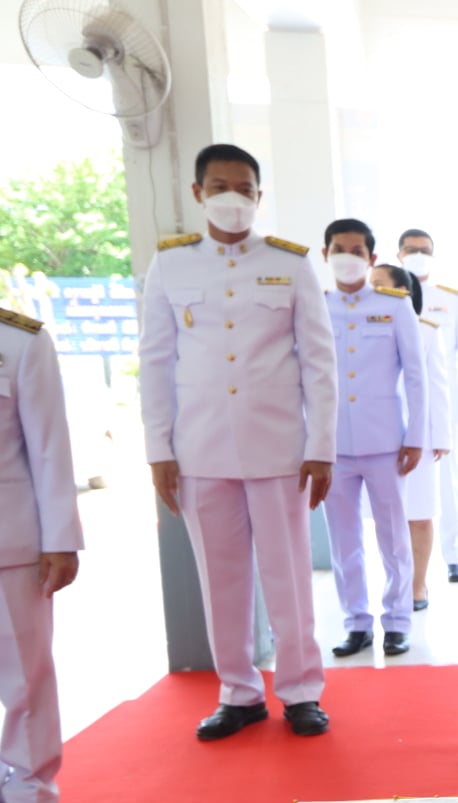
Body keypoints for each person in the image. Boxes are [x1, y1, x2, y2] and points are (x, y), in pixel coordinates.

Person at [139, 143, 337, 740]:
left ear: (258, 196)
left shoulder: (291, 263)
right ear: (198, 193)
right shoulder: (170, 265)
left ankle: (301, 690)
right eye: (220, 187)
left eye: (244, 189)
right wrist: (159, 450)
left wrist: (321, 446)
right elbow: (155, 362)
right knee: (220, 579)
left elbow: (319, 362)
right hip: (200, 450)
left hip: (278, 449)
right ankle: (239, 693)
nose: (233, 198)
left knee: (288, 576)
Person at [321, 220, 427, 659]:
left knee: (393, 538)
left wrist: (416, 436)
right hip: (331, 447)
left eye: (357, 251)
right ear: (325, 255)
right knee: (343, 540)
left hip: (386, 442)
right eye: (339, 249)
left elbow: (416, 375)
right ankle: (356, 623)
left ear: (372, 258)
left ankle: (398, 622)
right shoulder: (315, 307)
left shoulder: (394, 305)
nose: (348, 257)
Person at [0, 307, 82, 803]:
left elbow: (50, 446)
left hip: (10, 539)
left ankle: (31, 800)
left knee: (25, 678)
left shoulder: (19, 342)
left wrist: (60, 537)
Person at [396, 229, 458, 584]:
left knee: (448, 479)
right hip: (398, 406)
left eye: (425, 250)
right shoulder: (389, 296)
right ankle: (409, 563)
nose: (418, 255)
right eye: (411, 249)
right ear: (399, 255)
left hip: (442, 406)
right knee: (406, 485)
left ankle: (454, 555)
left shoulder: (449, 299)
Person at [369, 262, 450, 610]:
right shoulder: (361, 329)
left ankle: (418, 585)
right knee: (389, 518)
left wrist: (441, 436)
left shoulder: (426, 330)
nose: (371, 290)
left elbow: (438, 386)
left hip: (419, 435)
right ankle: (396, 584)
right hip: (377, 434)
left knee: (419, 512)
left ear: (402, 292)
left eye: (379, 284)